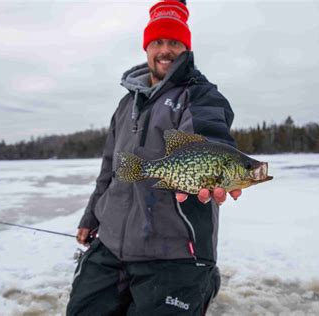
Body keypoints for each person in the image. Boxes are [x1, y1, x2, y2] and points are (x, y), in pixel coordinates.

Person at [66, 1, 241, 315]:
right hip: (110, 248)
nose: (165, 50)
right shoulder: (125, 104)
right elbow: (109, 169)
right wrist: (91, 218)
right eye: (158, 42)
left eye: (174, 42)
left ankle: (203, 281)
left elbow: (208, 132)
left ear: (185, 47)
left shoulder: (201, 95)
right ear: (146, 47)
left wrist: (213, 161)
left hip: (174, 253)